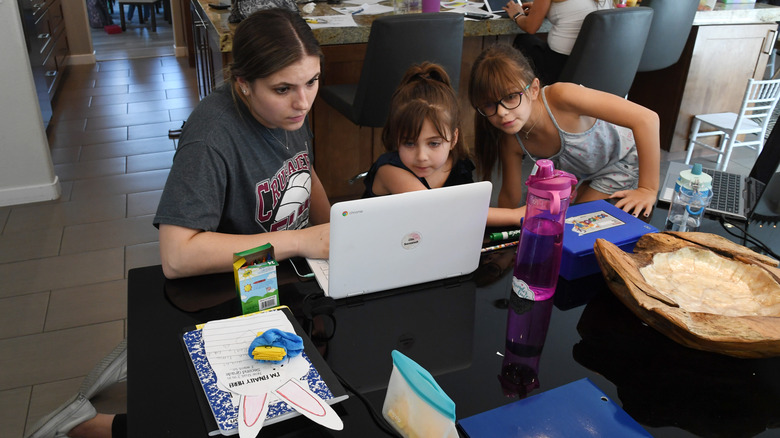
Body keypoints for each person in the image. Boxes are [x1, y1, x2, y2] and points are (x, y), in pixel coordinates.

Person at [153, 8, 331, 279]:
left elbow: (305, 172)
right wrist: (300, 240)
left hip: (295, 268)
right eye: (282, 89)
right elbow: (176, 257)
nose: (303, 103)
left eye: (311, 81)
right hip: (241, 282)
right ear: (244, 83)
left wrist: (338, 235)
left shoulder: (288, 110)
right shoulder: (210, 138)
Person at [468, 44, 660, 217]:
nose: (501, 112)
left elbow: (647, 119)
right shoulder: (511, 139)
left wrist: (647, 188)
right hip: (588, 174)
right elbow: (510, 197)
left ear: (534, 89)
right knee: (561, 219)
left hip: (626, 162)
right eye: (489, 105)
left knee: (576, 222)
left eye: (510, 97)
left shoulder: (562, 96)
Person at [363, 62, 524, 227]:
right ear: (396, 138)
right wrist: (514, 215)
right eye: (409, 143)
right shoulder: (390, 171)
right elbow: (436, 210)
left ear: (454, 139)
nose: (421, 157)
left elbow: (464, 214)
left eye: (433, 143)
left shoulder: (458, 167)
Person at [504, 0, 613, 85]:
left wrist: (517, 14)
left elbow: (530, 26)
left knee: (524, 41)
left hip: (560, 70)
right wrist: (541, 8)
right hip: (595, 70)